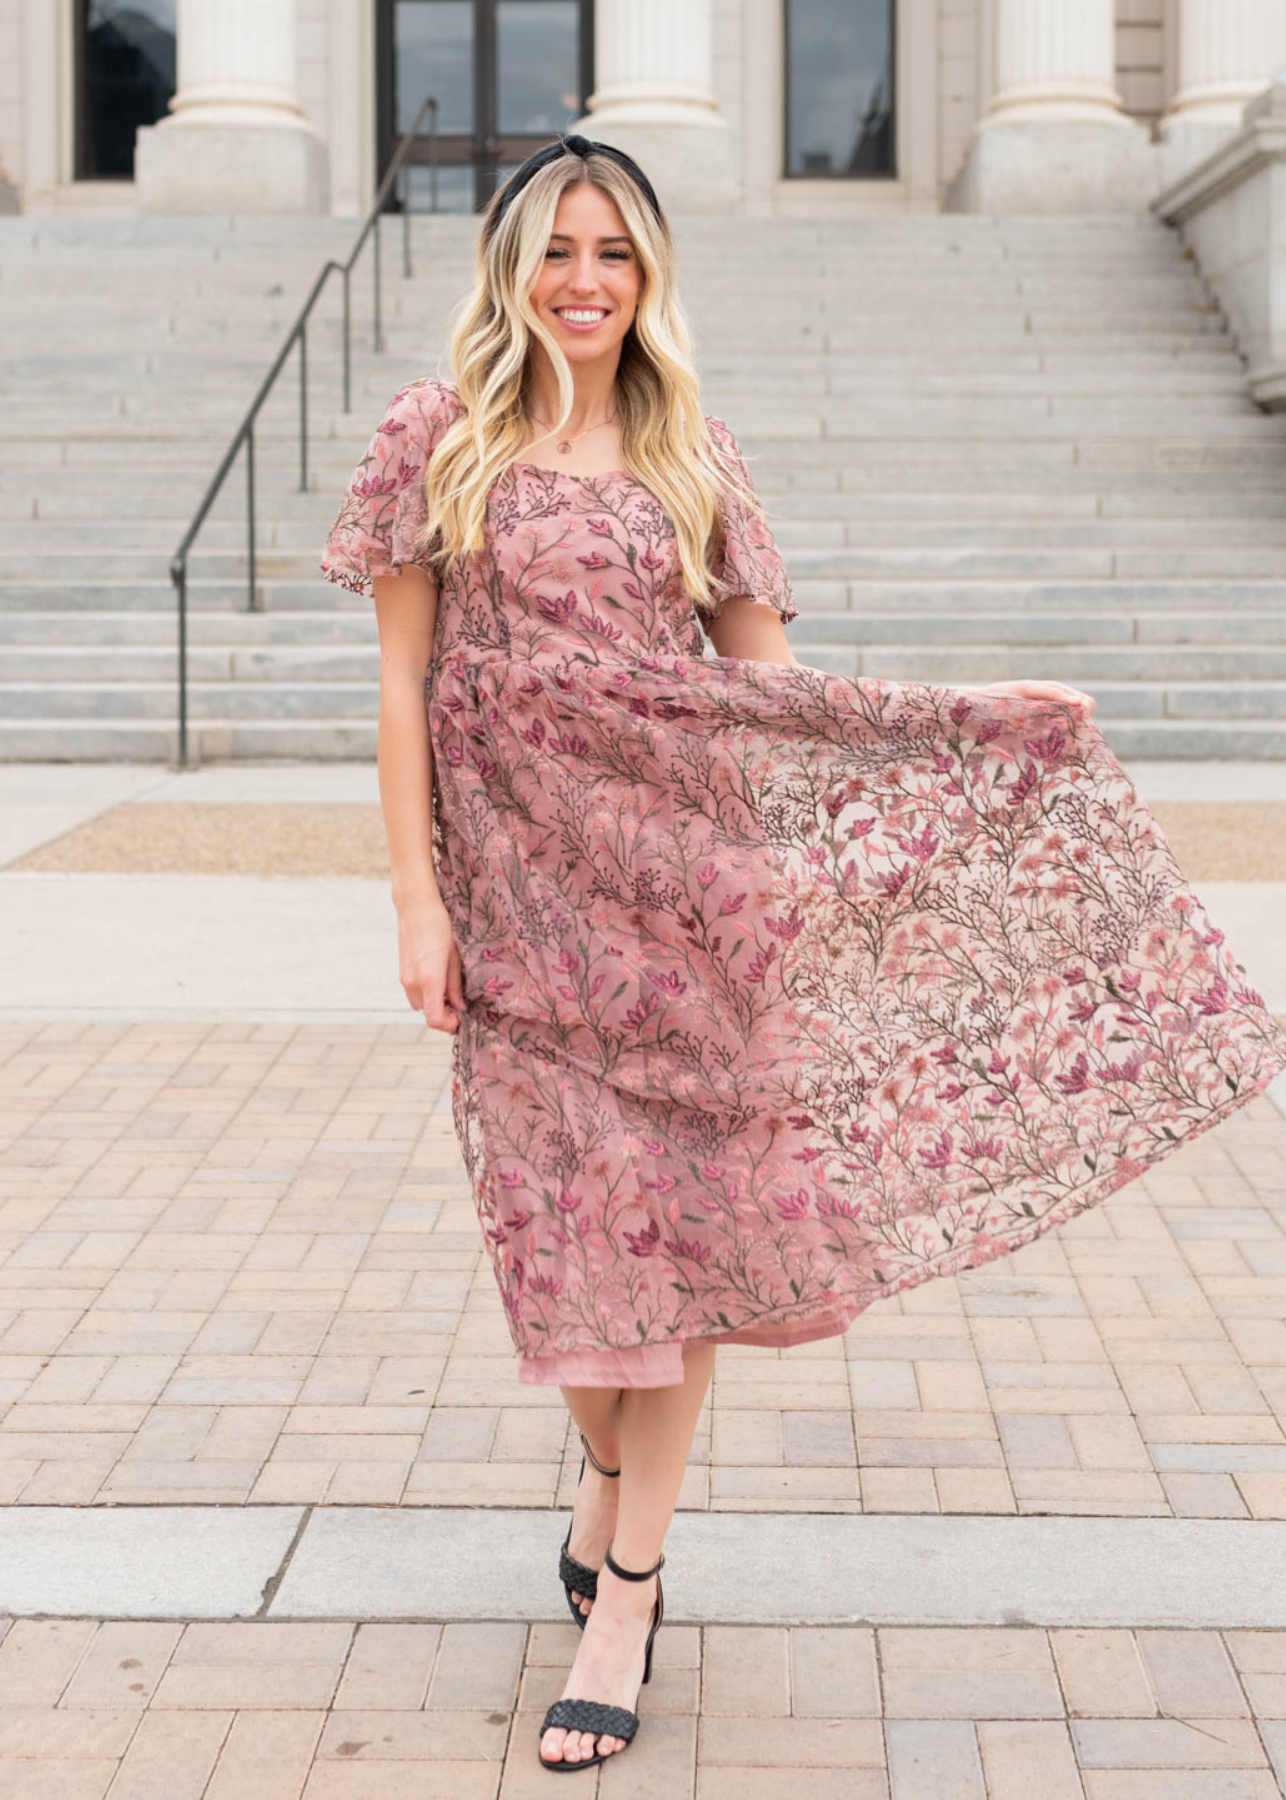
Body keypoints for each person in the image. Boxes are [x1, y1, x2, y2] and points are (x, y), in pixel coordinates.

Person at [321, 133, 1286, 1774]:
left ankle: (625, 1593)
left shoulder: (692, 451)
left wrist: (962, 722)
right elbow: (404, 696)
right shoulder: (437, 438)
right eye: (555, 248)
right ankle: (603, 1479)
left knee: (683, 1258)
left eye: (613, 252)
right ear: (508, 264)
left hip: (690, 914)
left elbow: (770, 701)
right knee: (560, 1261)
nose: (582, 280)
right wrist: (414, 901)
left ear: (650, 273)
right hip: (519, 917)